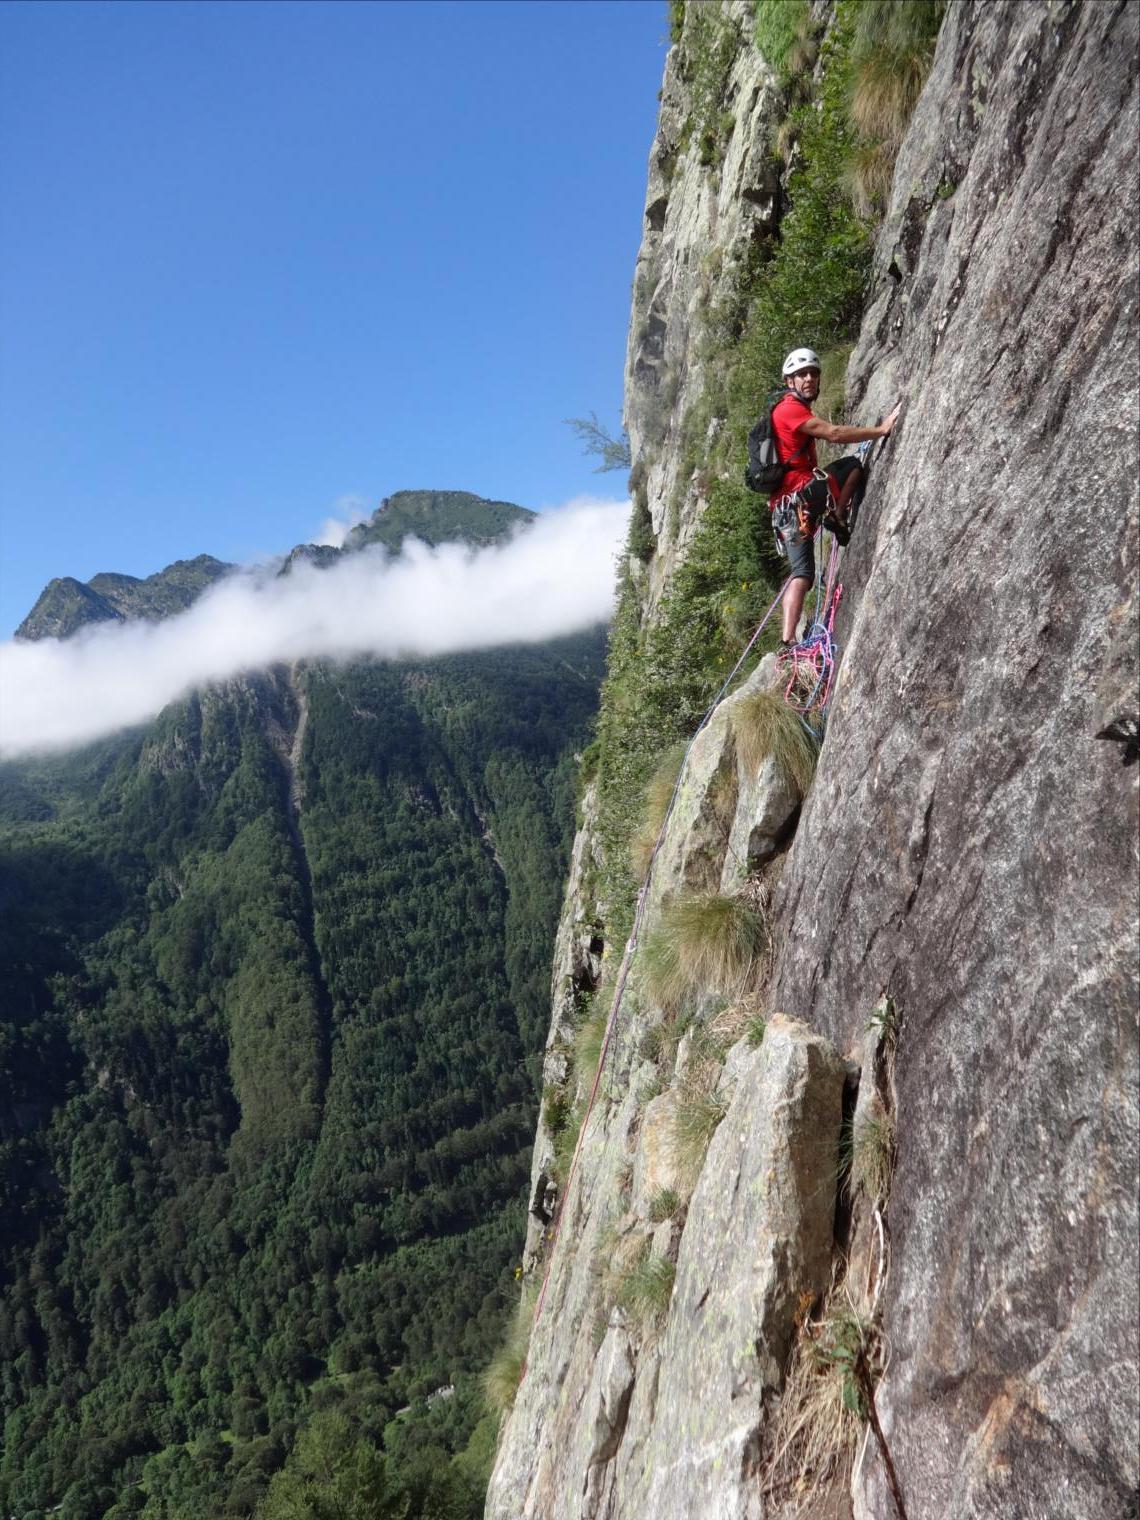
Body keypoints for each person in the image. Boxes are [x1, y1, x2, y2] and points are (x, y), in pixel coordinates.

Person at [770, 347, 901, 650]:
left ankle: (788, 639)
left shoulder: (784, 411)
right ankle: (837, 517)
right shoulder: (790, 410)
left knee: (802, 572)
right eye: (801, 374)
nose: (809, 379)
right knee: (853, 465)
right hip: (801, 500)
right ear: (789, 381)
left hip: (786, 510)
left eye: (813, 373)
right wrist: (880, 430)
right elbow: (835, 433)